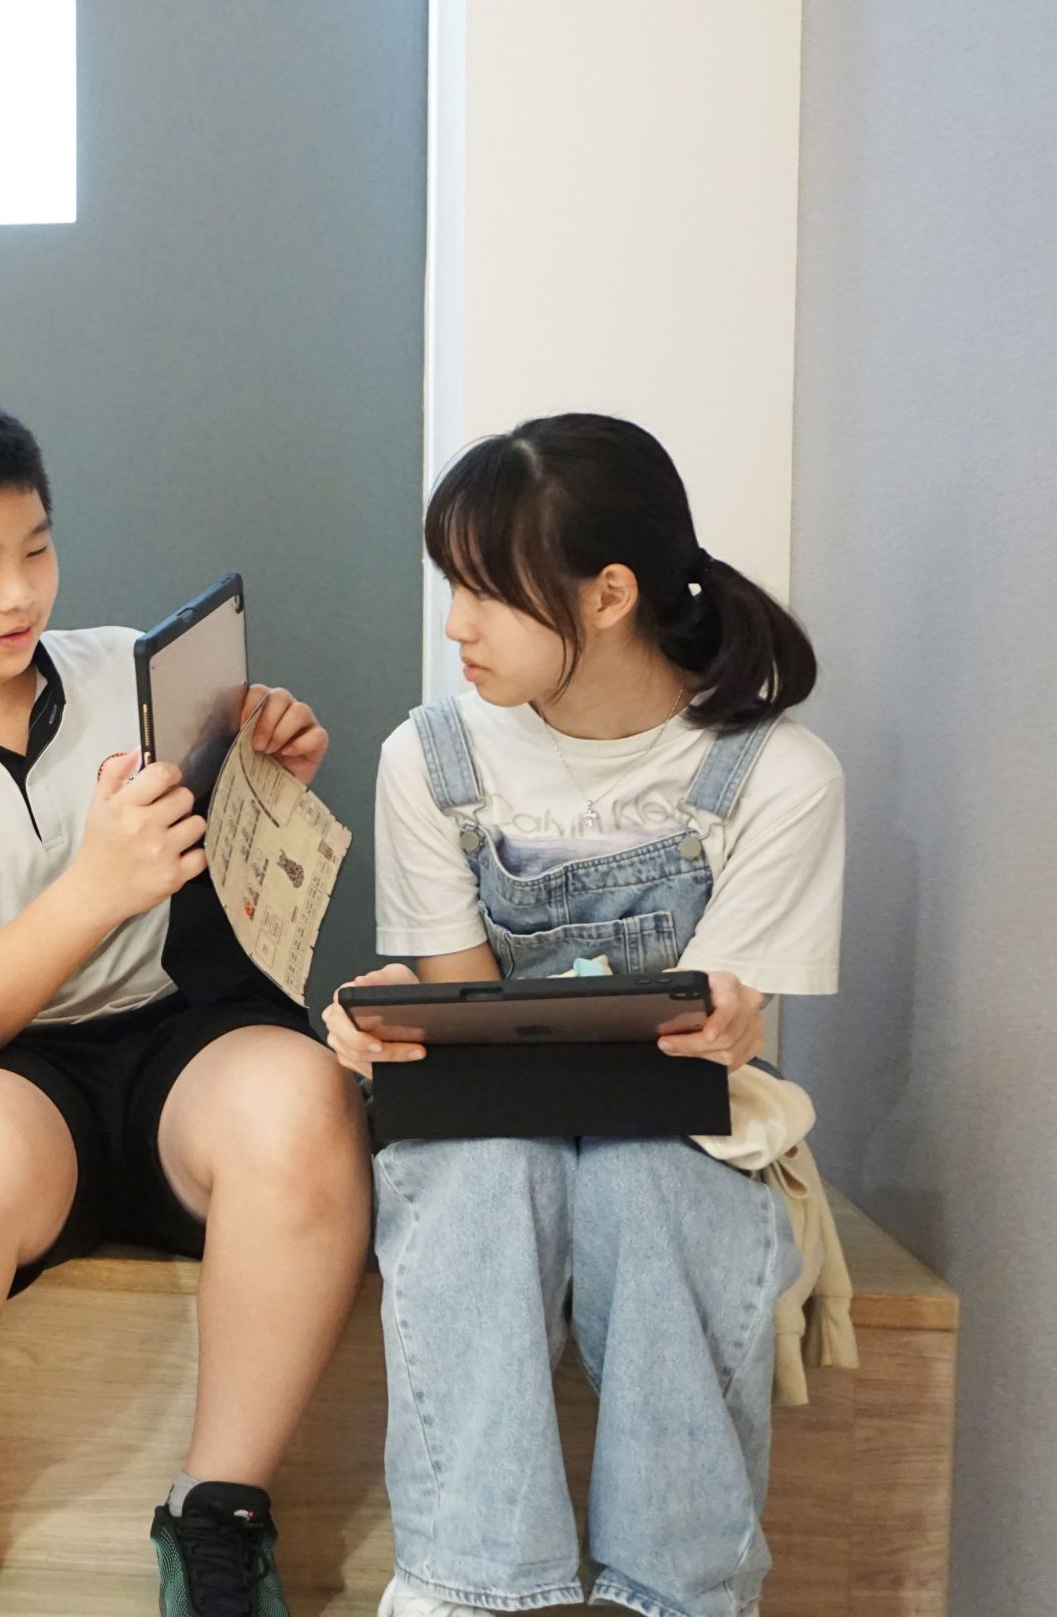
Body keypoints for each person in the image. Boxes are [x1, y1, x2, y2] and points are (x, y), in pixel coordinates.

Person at [0, 386, 372, 1617]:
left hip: (181, 1043)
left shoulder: (135, 671)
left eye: (35, 551)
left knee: (303, 1099)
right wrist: (92, 892)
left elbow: (232, 867)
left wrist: (266, 767)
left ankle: (219, 1511)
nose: (18, 594)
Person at [322, 413, 845, 1617]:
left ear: (609, 595)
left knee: (641, 1179)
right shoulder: (431, 758)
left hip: (678, 1127)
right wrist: (398, 1016)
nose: (454, 627)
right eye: (451, 586)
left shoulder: (777, 775)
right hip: (493, 1122)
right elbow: (469, 1015)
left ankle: (687, 1590)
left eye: (485, 593)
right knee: (488, 1168)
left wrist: (728, 1020)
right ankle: (460, 1587)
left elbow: (706, 1041)